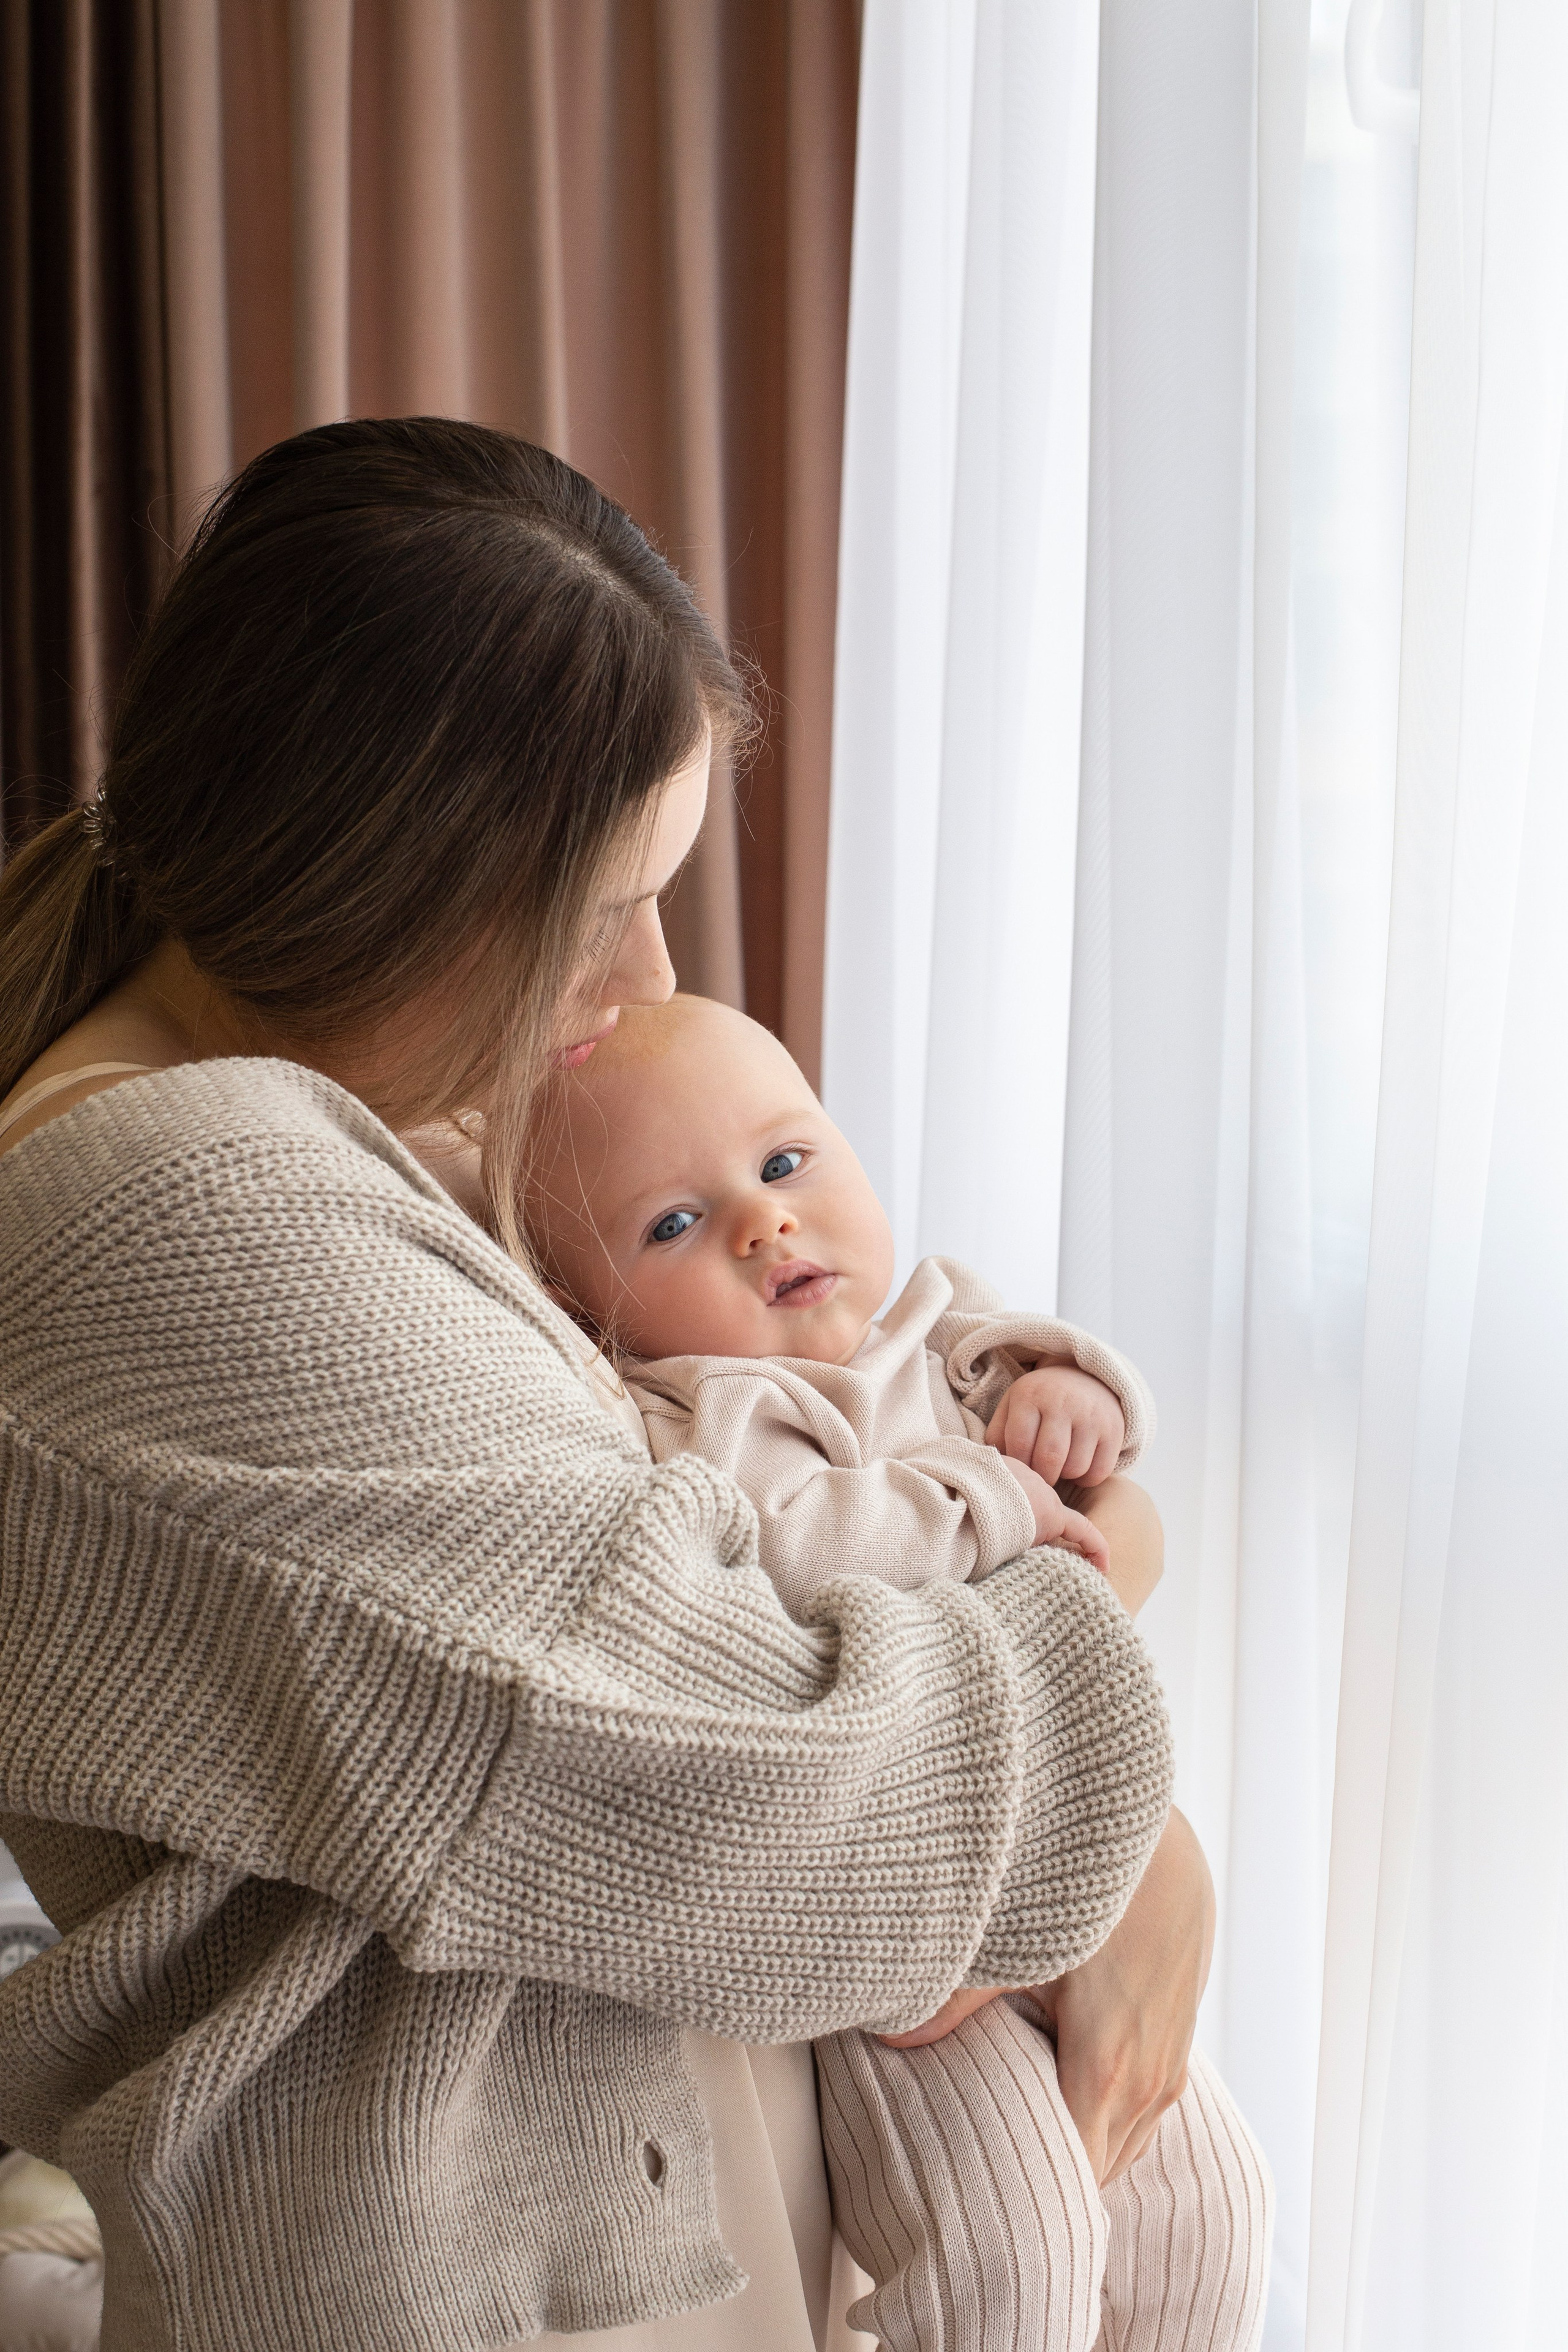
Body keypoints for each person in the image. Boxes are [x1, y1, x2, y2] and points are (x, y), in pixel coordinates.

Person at [0, 418, 1195, 2352]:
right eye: (610, 897)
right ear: (397, 872)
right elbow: (783, 1802)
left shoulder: (369, 1135)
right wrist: (1123, 1752)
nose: (645, 981)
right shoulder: (185, 1215)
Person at [523, 992, 1273, 2352]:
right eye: (672, 1223)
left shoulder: (940, 1333)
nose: (763, 1223)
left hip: (1079, 1869)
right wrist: (989, 1497)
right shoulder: (693, 1415)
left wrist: (1077, 1408)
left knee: (1211, 2212)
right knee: (1013, 2256)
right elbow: (809, 1557)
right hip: (897, 1948)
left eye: (785, 1161)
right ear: (597, 1315)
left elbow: (1102, 1450)